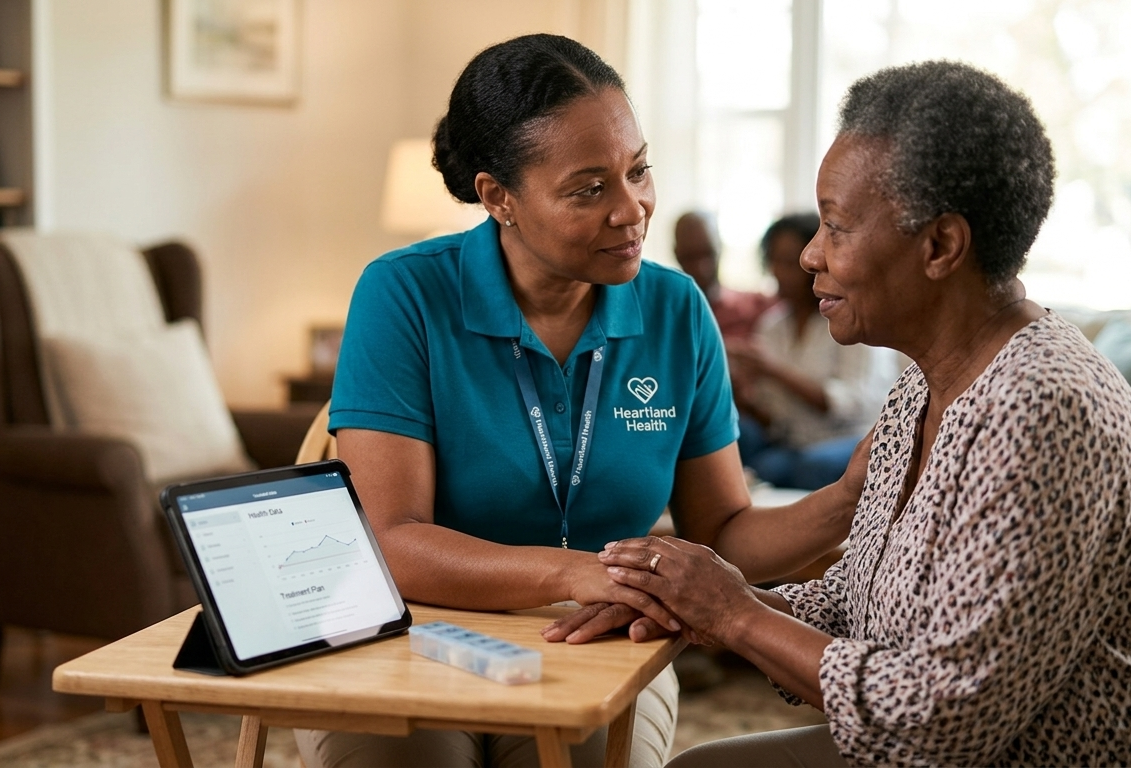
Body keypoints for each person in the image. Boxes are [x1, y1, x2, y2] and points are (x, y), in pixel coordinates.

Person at [295, 34, 861, 768]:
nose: (632, 211)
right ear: (498, 196)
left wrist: (849, 495)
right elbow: (394, 541)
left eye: (638, 171)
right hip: (412, 631)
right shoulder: (404, 293)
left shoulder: (674, 310)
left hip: (598, 642)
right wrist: (575, 571)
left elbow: (720, 530)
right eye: (588, 189)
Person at [585, 60, 1131, 766]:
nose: (810, 254)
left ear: (939, 246)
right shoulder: (924, 383)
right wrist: (696, 602)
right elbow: (858, 605)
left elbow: (942, 722)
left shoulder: (1040, 412)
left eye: (836, 227)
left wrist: (736, 613)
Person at [728, 213, 893, 490]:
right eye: (773, 260)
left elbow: (847, 404)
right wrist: (735, 391)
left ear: (815, 261)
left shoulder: (853, 318)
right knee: (744, 445)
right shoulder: (772, 326)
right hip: (796, 442)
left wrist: (772, 370)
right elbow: (775, 420)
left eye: (789, 262)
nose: (779, 271)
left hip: (853, 436)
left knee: (812, 465)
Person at [672, 211, 776, 340]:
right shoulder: (665, 315)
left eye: (708, 254)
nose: (701, 268)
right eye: (690, 257)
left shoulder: (755, 307)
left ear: (719, 248)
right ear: (677, 255)